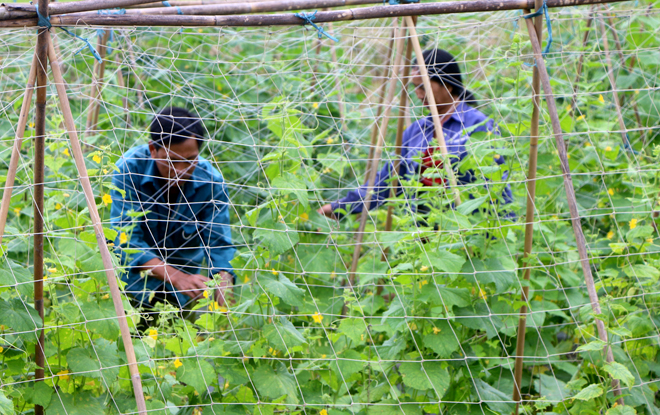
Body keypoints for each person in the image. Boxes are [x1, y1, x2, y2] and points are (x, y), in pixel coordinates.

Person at [318, 48, 513, 220]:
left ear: (448, 85)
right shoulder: (416, 131)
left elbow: (498, 183)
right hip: (423, 233)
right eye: (415, 87)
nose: (418, 94)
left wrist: (504, 229)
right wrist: (338, 208)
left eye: (423, 87)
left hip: (468, 229)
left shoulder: (478, 125)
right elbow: (386, 182)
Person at [110, 106, 235, 313]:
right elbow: (125, 238)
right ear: (153, 148)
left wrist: (224, 288)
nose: (180, 170)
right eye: (172, 160)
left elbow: (219, 243)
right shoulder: (129, 169)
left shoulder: (211, 182)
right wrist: (176, 277)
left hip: (184, 295)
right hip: (130, 288)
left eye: (190, 160)